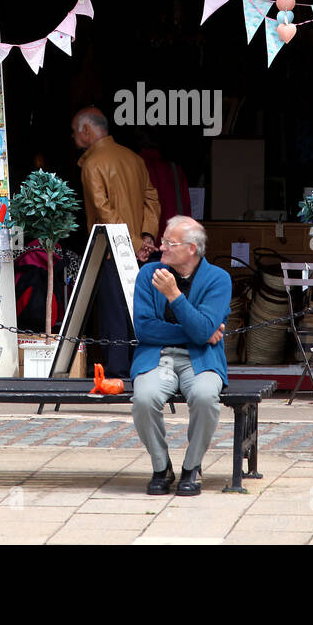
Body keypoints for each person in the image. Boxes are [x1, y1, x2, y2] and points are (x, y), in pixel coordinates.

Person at [130, 216, 231, 496]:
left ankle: (191, 467)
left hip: (201, 358)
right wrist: (199, 331)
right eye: (162, 241)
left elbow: (203, 332)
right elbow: (145, 328)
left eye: (168, 243)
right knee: (144, 398)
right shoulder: (148, 274)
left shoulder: (218, 279)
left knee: (205, 396)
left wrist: (175, 296)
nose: (160, 247)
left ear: (191, 249)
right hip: (157, 355)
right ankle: (161, 467)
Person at [72, 106, 161, 378]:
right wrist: (146, 237)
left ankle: (118, 372)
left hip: (111, 251)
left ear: (87, 131)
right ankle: (144, 367)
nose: (74, 137)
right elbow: (152, 200)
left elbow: (102, 209)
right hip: (138, 251)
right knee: (140, 309)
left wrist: (133, 242)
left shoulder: (92, 163)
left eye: (74, 132)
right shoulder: (133, 159)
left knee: (113, 311)